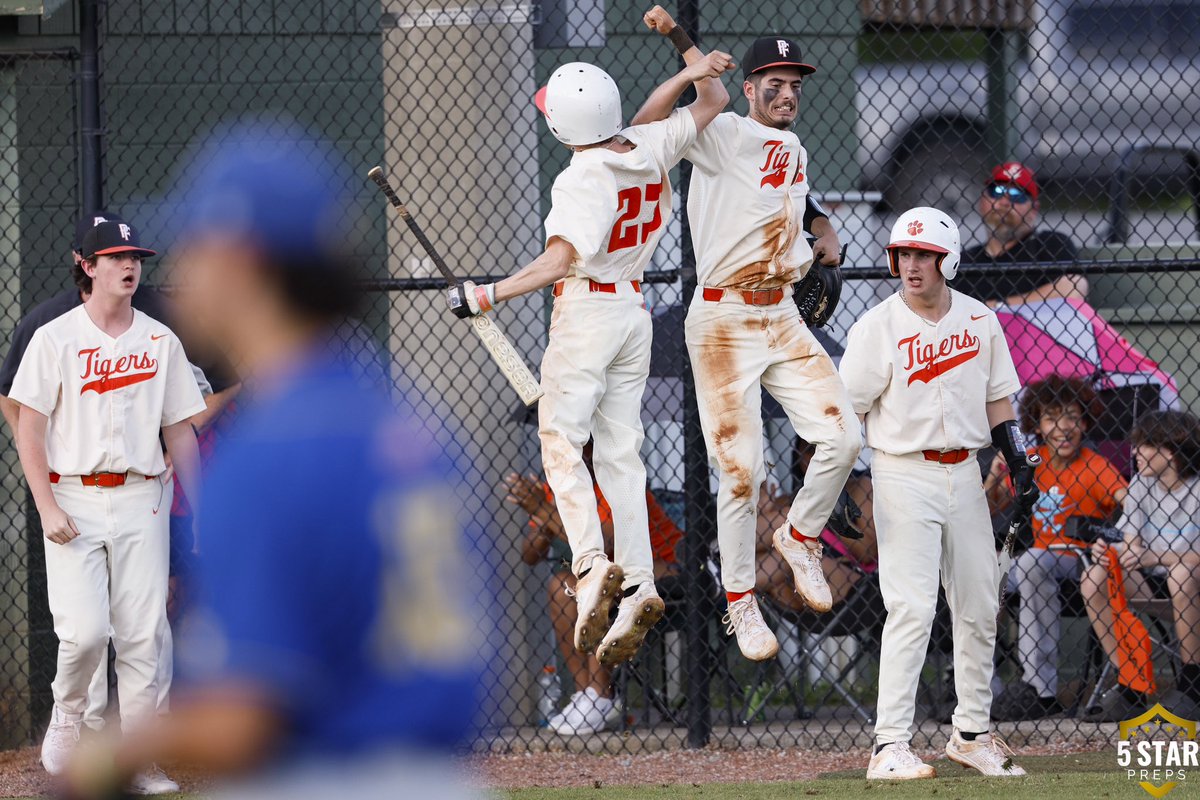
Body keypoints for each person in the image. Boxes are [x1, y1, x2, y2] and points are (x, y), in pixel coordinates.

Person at [61, 123, 489, 800]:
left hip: (331, 775)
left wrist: (119, 750)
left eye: (194, 248)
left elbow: (245, 721)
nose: (181, 276)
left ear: (241, 259)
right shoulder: (400, 416)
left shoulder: (271, 450)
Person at [445, 47, 734, 668]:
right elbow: (709, 102)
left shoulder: (580, 178)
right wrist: (692, 70)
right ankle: (639, 585)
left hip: (587, 310)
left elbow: (556, 262)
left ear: (561, 126)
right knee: (620, 454)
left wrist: (485, 294)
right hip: (633, 311)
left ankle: (589, 563)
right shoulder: (647, 149)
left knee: (561, 443)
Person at [631, 9, 861, 662]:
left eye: (796, 84)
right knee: (740, 472)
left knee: (842, 435)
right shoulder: (723, 133)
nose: (788, 93)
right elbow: (650, 130)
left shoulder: (794, 148)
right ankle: (740, 600)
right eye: (776, 83)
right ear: (754, 87)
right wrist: (685, 54)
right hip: (725, 318)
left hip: (781, 312)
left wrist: (819, 225)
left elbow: (789, 200)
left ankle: (799, 537)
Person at [0, 211, 240, 738]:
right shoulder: (51, 336)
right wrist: (45, 505)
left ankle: (143, 751)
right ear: (86, 264)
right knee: (84, 634)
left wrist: (200, 511)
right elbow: (27, 428)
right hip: (73, 495)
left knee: (144, 633)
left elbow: (180, 431)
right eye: (114, 258)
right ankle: (72, 721)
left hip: (143, 496)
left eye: (134, 257)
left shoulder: (161, 339)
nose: (128, 266)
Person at [839, 207, 1033, 779]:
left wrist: (1020, 460)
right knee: (912, 606)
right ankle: (889, 746)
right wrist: (840, 480)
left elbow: (1000, 401)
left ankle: (971, 733)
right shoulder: (877, 325)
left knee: (979, 604)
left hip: (967, 474)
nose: (912, 265)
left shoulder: (979, 320)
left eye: (925, 254)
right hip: (901, 472)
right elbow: (846, 412)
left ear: (948, 260)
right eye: (904, 254)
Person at [507, 444, 683, 735]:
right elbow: (530, 555)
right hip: (616, 581)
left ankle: (603, 695)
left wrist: (543, 510)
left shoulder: (615, 481)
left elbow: (605, 545)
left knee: (602, 582)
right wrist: (544, 520)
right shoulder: (559, 487)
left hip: (664, 573)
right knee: (560, 585)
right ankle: (586, 694)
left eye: (584, 447)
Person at [985, 376, 1127, 721]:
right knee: (979, 575)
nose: (1063, 428)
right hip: (1036, 562)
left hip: (1078, 560)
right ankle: (983, 691)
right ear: (1037, 423)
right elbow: (990, 506)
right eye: (1051, 418)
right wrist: (993, 475)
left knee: (1031, 560)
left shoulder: (1095, 466)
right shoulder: (1034, 461)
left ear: (1085, 422)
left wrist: (1115, 537)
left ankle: (1040, 689)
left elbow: (1131, 503)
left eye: (1073, 418)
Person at [1080, 410, 1200, 722]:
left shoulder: (1197, 489)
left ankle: (1192, 682)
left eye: (1144, 445)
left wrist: (1154, 557)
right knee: (1094, 577)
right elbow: (1130, 541)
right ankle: (1131, 681)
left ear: (1170, 448)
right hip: (1152, 583)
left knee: (1181, 571)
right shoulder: (1141, 486)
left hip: (1192, 585)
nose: (1134, 452)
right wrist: (1108, 550)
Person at [956, 161, 1083, 307]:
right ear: (982, 200)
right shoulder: (965, 260)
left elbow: (1074, 289)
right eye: (997, 191)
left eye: (1017, 195)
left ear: (1034, 209)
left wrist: (995, 308)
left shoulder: (1051, 244)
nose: (1004, 202)